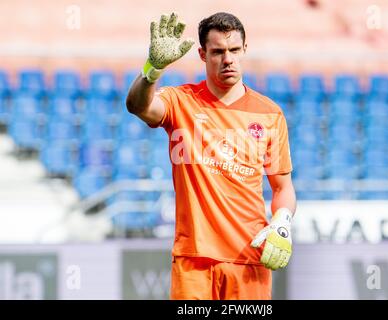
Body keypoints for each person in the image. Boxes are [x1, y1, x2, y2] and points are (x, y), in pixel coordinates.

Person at [126, 11, 296, 300]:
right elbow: (137, 106)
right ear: (203, 55)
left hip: (249, 257)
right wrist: (152, 69)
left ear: (245, 49)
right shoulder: (181, 101)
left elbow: (283, 187)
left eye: (234, 50)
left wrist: (281, 221)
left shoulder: (269, 113)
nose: (227, 59)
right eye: (218, 52)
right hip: (194, 259)